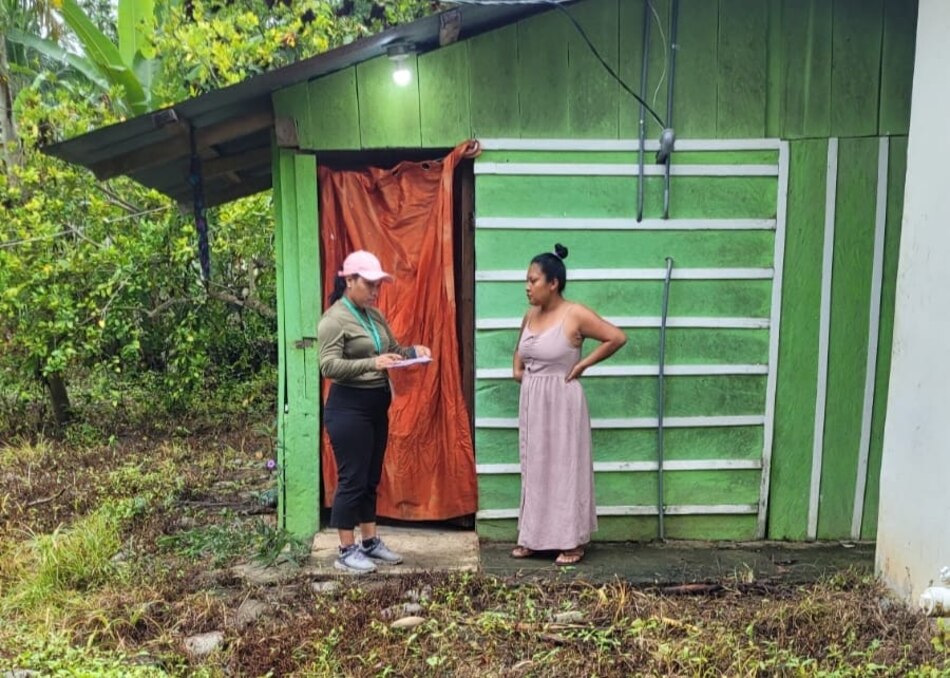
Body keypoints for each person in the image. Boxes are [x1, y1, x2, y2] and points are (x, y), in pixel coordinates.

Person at [510, 244, 627, 565]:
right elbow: (519, 358)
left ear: (553, 283)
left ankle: (571, 541)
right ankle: (533, 537)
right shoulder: (530, 315)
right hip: (535, 401)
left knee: (564, 467)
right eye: (526, 280)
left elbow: (616, 337)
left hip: (563, 400)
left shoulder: (574, 313)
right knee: (535, 467)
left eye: (533, 280)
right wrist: (524, 376)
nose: (527, 286)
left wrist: (583, 365)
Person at [317, 250, 432, 574]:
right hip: (348, 409)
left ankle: (370, 541)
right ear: (349, 280)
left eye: (377, 285)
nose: (375, 291)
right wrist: (372, 363)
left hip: (375, 405)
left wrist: (413, 352)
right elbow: (327, 365)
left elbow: (391, 351)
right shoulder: (334, 319)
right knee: (351, 479)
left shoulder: (373, 315)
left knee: (369, 478)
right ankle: (346, 549)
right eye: (369, 284)